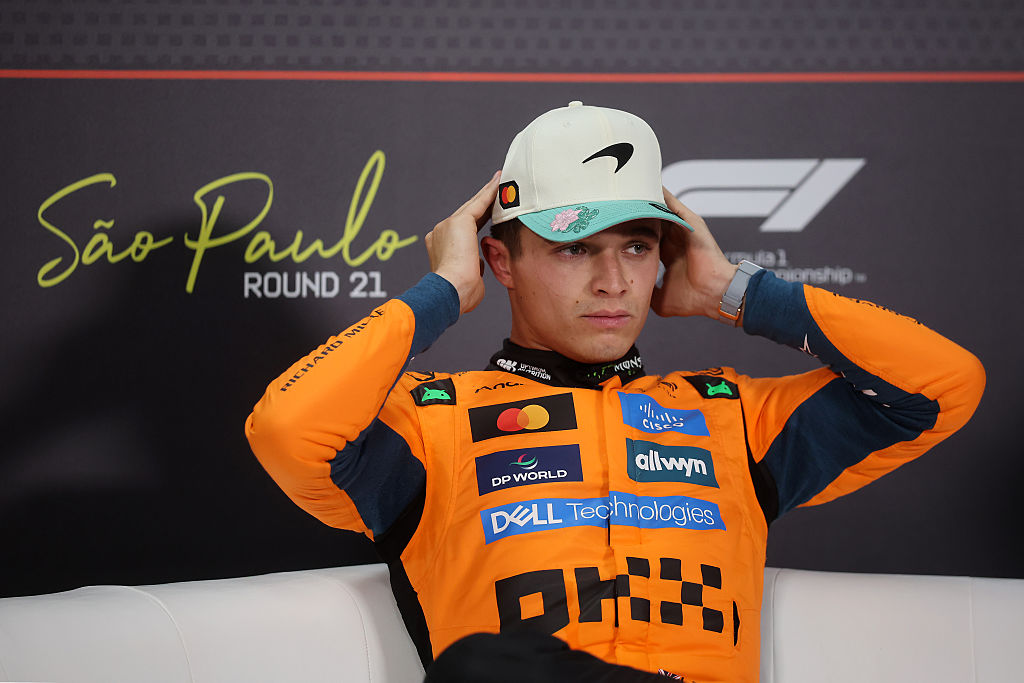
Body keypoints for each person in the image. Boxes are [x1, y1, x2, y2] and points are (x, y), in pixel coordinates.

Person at [245, 101, 985, 682]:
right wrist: (444, 290)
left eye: (637, 246)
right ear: (500, 261)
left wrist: (739, 292)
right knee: (484, 667)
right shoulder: (431, 424)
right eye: (574, 248)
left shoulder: (733, 417)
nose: (613, 281)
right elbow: (286, 429)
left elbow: (942, 384)